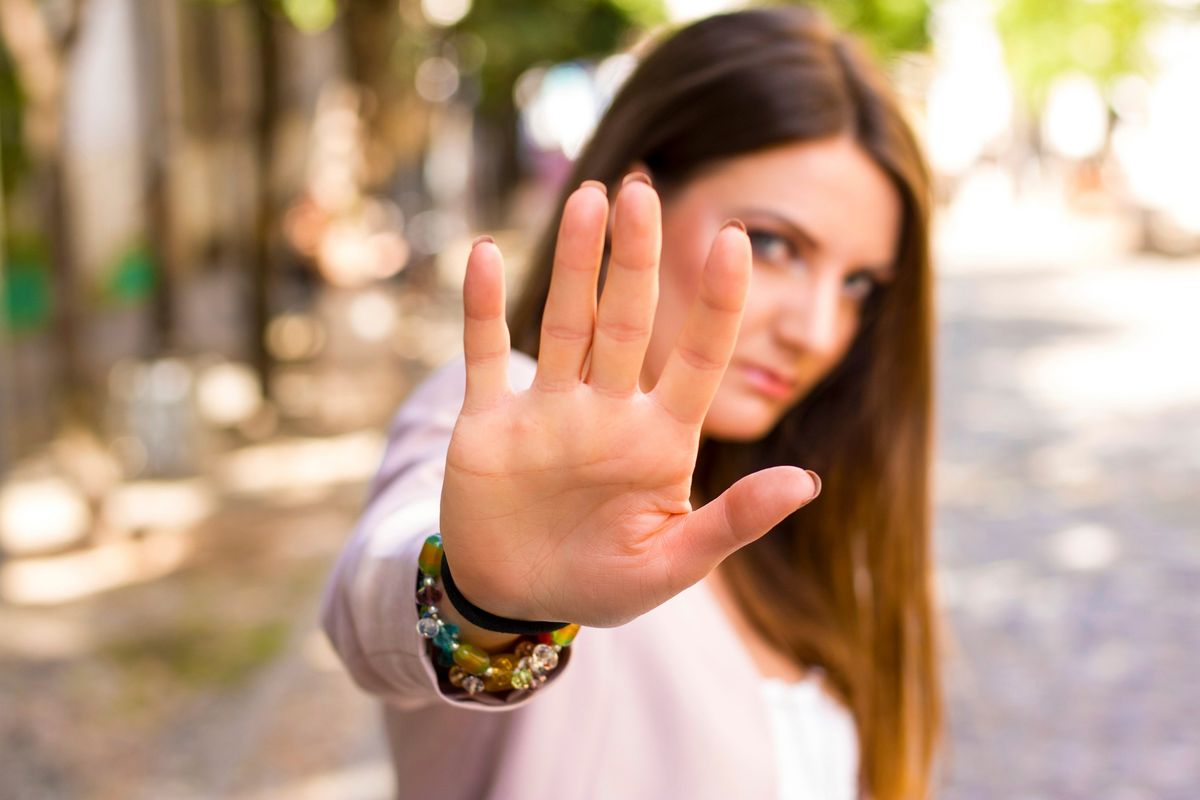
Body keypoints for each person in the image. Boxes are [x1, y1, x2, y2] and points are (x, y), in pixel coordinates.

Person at [322, 6, 942, 799]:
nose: (820, 331)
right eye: (779, 246)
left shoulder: (785, 520)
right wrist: (482, 603)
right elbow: (379, 580)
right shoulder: (499, 427)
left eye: (859, 284)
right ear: (635, 200)